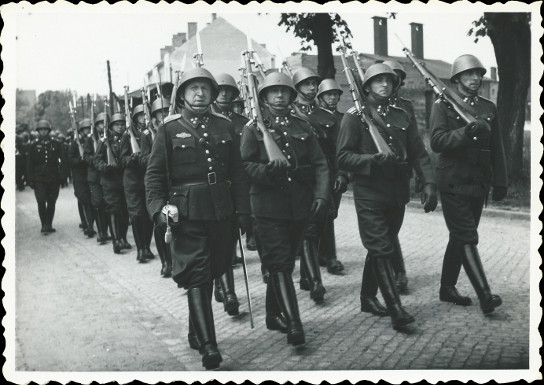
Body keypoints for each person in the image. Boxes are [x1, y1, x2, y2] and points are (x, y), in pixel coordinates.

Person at [145, 67, 251, 370]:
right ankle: (209, 346)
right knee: (197, 273)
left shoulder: (224, 125)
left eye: (205, 88)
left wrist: (243, 212)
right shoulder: (168, 129)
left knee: (215, 267)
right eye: (193, 89)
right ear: (182, 95)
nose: (200, 94)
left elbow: (237, 173)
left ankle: (196, 330)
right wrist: (159, 211)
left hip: (221, 211)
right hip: (185, 213)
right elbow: (154, 178)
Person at [337, 63, 437, 330]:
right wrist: (371, 159)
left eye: (388, 81)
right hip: (369, 191)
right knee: (381, 247)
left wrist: (428, 183)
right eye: (378, 81)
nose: (384, 85)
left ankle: (367, 297)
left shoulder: (402, 113)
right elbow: (343, 156)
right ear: (367, 86)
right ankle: (396, 309)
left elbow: (417, 151)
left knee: (383, 245)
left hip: (397, 191)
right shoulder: (354, 116)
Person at [240, 71, 330, 345]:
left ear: (291, 95)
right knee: (279, 263)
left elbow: (320, 163)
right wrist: (268, 171)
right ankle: (294, 323)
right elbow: (243, 165)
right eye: (273, 91)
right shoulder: (253, 128)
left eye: (284, 91)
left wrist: (321, 196)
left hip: (299, 205)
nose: (279, 96)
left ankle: (272, 315)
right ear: (264, 96)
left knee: (285, 263)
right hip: (268, 207)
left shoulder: (301, 125)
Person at [430, 54, 507, 314]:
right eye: (468, 74)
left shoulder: (488, 107)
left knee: (460, 236)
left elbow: (497, 147)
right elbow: (437, 142)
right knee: (466, 236)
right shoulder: (443, 105)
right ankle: (485, 296)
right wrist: (466, 132)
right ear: (457, 79)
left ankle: (446, 288)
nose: (475, 79)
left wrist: (500, 181)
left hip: (478, 183)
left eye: (478, 74)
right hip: (452, 182)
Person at [290, 67, 342, 302]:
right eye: (307, 84)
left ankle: (305, 276)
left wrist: (341, 175)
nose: (312, 88)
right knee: (308, 231)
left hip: (323, 179)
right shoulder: (289, 115)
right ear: (297, 87)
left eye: (314, 84)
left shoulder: (327, 118)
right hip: (299, 181)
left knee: (318, 227)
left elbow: (336, 151)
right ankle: (315, 281)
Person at [208, 72, 253, 317]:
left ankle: (227, 289)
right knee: (220, 244)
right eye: (221, 90)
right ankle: (227, 291)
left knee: (229, 241)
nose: (225, 94)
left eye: (229, 91)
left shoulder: (243, 121)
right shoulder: (208, 121)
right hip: (213, 189)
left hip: (236, 185)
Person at [381, 59, 418, 294]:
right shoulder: (369, 104)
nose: (389, 82)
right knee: (381, 230)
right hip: (378, 174)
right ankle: (397, 273)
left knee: (391, 229)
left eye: (395, 77)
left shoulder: (405, 106)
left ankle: (397, 272)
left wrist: (420, 174)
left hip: (400, 174)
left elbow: (413, 142)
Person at [315, 78, 349, 275]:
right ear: (321, 97)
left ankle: (322, 252)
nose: (333, 98)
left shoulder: (344, 118)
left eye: (336, 94)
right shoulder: (314, 117)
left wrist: (343, 173)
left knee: (332, 213)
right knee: (326, 213)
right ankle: (331, 258)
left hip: (339, 170)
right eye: (328, 94)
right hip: (323, 171)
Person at [140, 96, 173, 277]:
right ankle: (165, 262)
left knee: (174, 222)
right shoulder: (147, 135)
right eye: (160, 112)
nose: (163, 115)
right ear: (154, 116)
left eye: (166, 111)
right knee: (160, 223)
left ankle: (175, 260)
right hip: (157, 182)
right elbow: (144, 158)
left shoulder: (175, 128)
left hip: (174, 182)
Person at [121, 103, 155, 263]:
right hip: (133, 180)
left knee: (149, 215)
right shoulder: (127, 134)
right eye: (141, 115)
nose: (144, 117)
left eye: (146, 114)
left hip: (148, 179)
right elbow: (122, 158)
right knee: (136, 215)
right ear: (135, 118)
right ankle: (140, 248)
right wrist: (132, 159)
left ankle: (147, 247)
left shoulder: (152, 132)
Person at [94, 112, 131, 254]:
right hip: (109, 181)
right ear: (111, 127)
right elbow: (97, 160)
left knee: (124, 211)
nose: (120, 127)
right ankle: (116, 240)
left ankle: (123, 238)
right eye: (117, 125)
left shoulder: (128, 139)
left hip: (124, 180)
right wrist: (105, 167)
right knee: (113, 210)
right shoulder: (104, 142)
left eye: (122, 125)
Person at [26, 119, 63, 233]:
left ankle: (49, 224)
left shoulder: (56, 144)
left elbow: (62, 162)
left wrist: (62, 177)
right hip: (39, 178)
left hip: (53, 178)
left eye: (45, 129)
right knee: (41, 201)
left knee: (52, 201)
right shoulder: (33, 146)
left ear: (48, 131)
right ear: (38, 131)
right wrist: (30, 180)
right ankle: (44, 224)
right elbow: (29, 164)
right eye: (41, 130)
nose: (43, 132)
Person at [84, 112, 111, 244]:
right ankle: (101, 232)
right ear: (96, 125)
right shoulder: (90, 139)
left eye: (104, 123)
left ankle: (107, 231)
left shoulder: (110, 138)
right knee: (98, 203)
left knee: (107, 204)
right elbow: (86, 156)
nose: (102, 126)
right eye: (100, 123)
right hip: (94, 176)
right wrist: (96, 161)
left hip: (106, 175)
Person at [69, 118, 96, 237]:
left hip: (91, 174)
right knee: (84, 200)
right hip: (79, 176)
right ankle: (88, 224)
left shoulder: (93, 141)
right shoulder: (75, 143)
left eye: (89, 129)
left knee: (92, 201)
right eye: (85, 129)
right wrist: (80, 160)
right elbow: (70, 159)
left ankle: (89, 223)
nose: (87, 131)